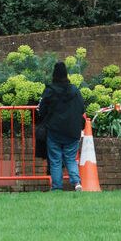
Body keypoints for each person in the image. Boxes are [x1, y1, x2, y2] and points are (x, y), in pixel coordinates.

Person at [35, 62, 86, 192]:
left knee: (55, 159)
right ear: (66, 74)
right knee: (70, 158)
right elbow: (82, 108)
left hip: (54, 131)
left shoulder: (49, 91)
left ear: (54, 74)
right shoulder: (74, 90)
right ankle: (76, 182)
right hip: (72, 131)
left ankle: (57, 187)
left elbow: (42, 111)